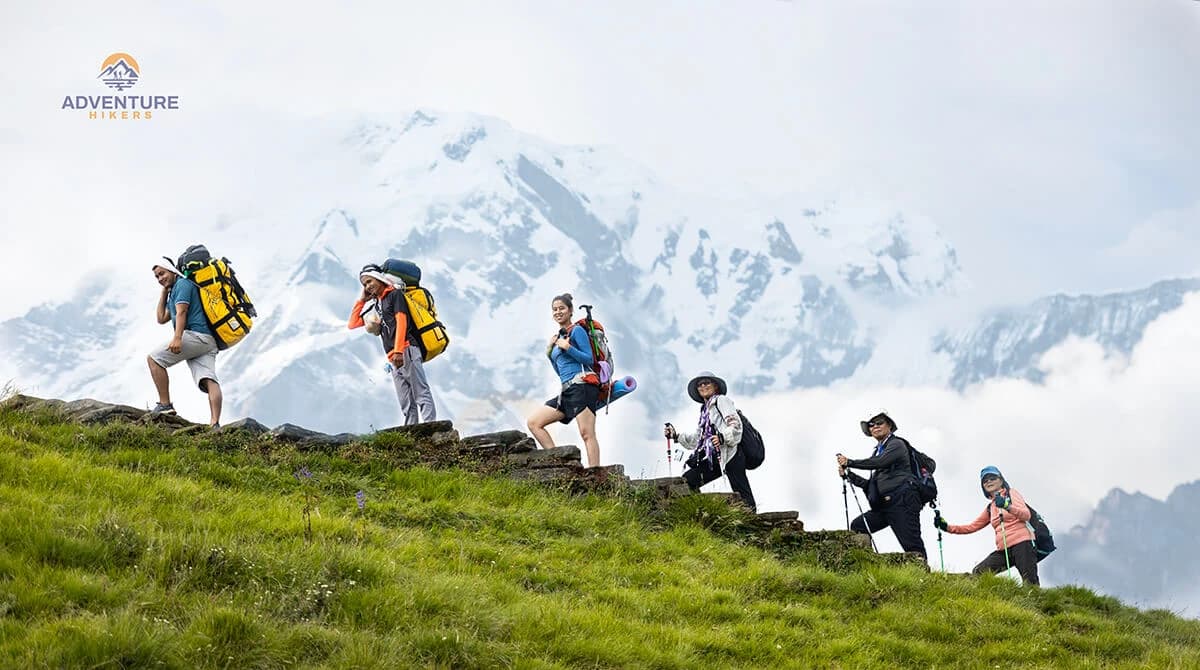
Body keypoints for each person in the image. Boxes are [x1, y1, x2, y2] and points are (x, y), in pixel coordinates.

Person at [348, 264, 436, 425]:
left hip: (407, 349)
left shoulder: (395, 295)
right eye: (364, 284)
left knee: (420, 392)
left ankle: (431, 426)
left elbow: (402, 322)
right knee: (405, 400)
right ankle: (411, 431)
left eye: (369, 281)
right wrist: (362, 300)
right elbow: (353, 324)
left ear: (379, 278)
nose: (367, 286)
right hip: (393, 357)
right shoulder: (376, 304)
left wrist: (398, 351)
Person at [525, 293, 602, 467]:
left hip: (583, 385)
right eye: (555, 309)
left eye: (562, 308)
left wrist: (568, 347)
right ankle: (559, 464)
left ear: (570, 310)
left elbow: (589, 359)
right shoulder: (557, 338)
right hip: (567, 390)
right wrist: (550, 352)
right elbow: (560, 371)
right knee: (534, 423)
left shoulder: (577, 331)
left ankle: (595, 473)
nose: (558, 312)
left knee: (587, 433)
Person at [837, 411, 926, 558]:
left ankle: (922, 571)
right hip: (884, 505)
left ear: (889, 425)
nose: (875, 426)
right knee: (858, 526)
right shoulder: (878, 451)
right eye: (871, 425)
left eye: (879, 423)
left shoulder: (896, 444)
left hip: (902, 500)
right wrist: (849, 476)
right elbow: (870, 485)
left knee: (912, 545)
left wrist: (850, 462)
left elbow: (880, 462)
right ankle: (867, 562)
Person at [664, 371, 757, 513]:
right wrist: (676, 436)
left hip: (732, 453)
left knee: (742, 490)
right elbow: (699, 439)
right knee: (689, 480)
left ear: (715, 386)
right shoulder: (705, 410)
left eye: (706, 383)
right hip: (714, 456)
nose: (703, 386)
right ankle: (699, 512)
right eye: (699, 385)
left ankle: (752, 519)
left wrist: (722, 437)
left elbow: (735, 424)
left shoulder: (722, 401)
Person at [146, 257, 222, 427]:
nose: (160, 279)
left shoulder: (182, 285)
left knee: (154, 359)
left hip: (195, 336)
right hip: (208, 341)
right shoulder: (175, 290)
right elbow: (161, 318)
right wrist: (164, 291)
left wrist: (177, 338)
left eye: (162, 273)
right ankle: (215, 423)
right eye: (157, 277)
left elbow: (182, 312)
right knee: (208, 379)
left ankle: (165, 405)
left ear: (172, 270)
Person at [934, 466, 1040, 585]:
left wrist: (1007, 506)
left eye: (992, 478)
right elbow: (972, 527)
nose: (988, 481)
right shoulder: (991, 508)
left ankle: (1038, 598)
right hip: (1004, 549)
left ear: (1001, 480)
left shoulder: (1011, 494)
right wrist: (946, 527)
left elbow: (1026, 515)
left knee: (1030, 582)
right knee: (979, 571)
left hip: (1023, 544)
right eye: (985, 480)